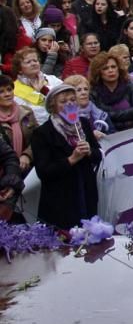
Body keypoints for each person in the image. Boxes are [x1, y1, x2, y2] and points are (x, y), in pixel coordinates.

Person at [30, 82, 102, 229]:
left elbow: (98, 155)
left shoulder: (83, 123)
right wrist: (71, 159)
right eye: (63, 101)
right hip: (60, 198)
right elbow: (43, 171)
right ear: (53, 107)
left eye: (72, 100)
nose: (69, 104)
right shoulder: (42, 133)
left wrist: (89, 152)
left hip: (86, 191)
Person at [89, 51, 133, 131]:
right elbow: (97, 117)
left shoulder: (132, 87)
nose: (111, 70)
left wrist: (107, 115)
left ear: (119, 68)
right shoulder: (93, 93)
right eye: (105, 68)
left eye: (113, 67)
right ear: (98, 72)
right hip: (108, 135)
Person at [0, 74, 37, 181]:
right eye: (1, 92)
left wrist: (27, 155)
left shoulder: (26, 112)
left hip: (27, 171)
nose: (7, 94)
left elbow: (38, 138)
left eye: (9, 89)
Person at [13, 47, 61, 124]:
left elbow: (64, 99)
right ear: (19, 69)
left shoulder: (52, 80)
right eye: (28, 62)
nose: (34, 63)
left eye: (35, 60)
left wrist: (44, 90)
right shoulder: (14, 89)